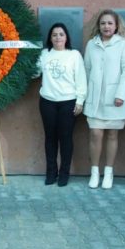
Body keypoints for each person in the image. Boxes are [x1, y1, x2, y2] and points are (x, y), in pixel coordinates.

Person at [83, 9, 125, 189]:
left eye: (110, 23)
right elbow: (87, 70)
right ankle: (95, 171)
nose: (106, 26)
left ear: (116, 26)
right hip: (94, 98)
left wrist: (120, 94)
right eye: (103, 23)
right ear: (99, 26)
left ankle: (109, 172)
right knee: (95, 134)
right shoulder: (91, 44)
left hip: (115, 99)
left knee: (112, 134)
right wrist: (85, 95)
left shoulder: (123, 44)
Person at [37, 23, 86, 187]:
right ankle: (51, 172)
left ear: (66, 37)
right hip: (48, 102)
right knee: (50, 138)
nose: (58, 37)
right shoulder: (44, 54)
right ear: (50, 38)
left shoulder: (74, 55)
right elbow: (35, 72)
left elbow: (81, 79)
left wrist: (80, 101)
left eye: (61, 34)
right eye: (54, 35)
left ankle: (64, 173)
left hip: (68, 102)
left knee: (65, 139)